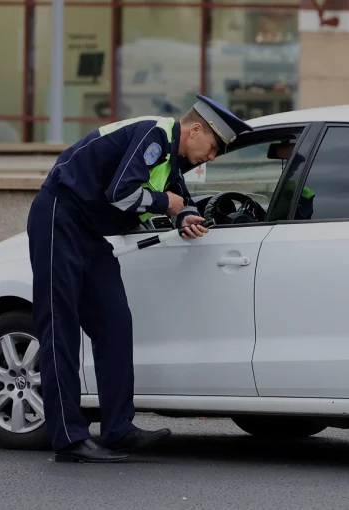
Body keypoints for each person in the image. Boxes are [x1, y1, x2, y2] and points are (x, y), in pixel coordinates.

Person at [26, 95, 252, 463]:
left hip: (88, 232)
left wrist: (185, 217)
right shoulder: (155, 134)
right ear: (195, 129)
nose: (211, 158)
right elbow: (121, 193)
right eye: (213, 148)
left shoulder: (171, 158)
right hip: (59, 215)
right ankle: (69, 439)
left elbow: (180, 197)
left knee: (115, 322)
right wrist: (167, 205)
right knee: (60, 328)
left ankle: (118, 430)